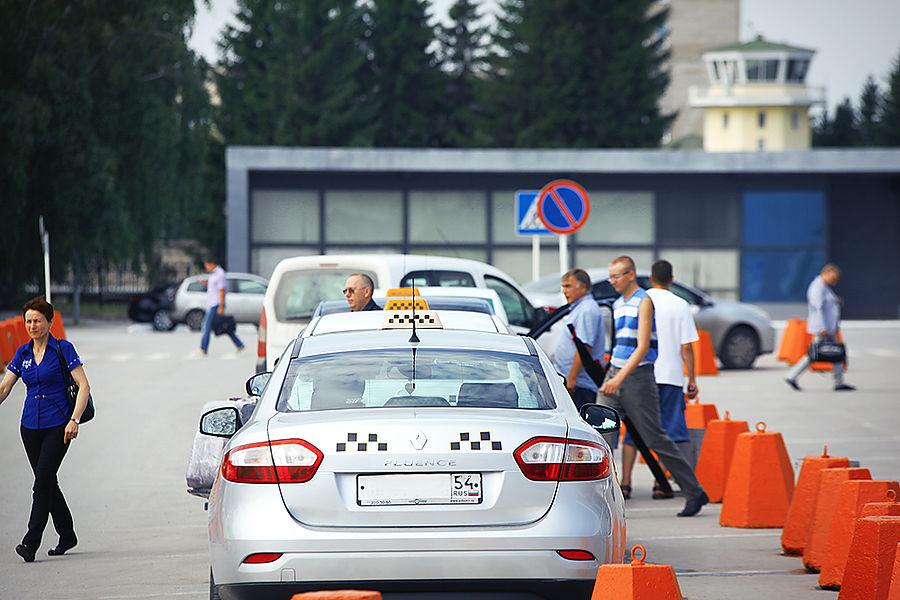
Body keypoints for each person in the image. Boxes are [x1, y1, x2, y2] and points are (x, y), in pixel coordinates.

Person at [598, 256, 709, 517]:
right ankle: (599, 496)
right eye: (610, 276)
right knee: (599, 435)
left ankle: (694, 492)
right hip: (616, 373)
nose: (612, 281)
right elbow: (620, 345)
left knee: (655, 438)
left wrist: (618, 378)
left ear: (630, 275)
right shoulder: (617, 304)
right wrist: (610, 374)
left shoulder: (644, 301)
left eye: (616, 276)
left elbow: (643, 347)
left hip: (637, 377)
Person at [0, 297, 89, 562]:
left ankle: (31, 542)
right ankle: (67, 533)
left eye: (38, 320)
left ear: (50, 322)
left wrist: (74, 419)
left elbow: (84, 386)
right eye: (28, 321)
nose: (32, 325)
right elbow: (5, 387)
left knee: (41, 484)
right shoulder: (22, 353)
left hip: (58, 426)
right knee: (47, 480)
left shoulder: (63, 349)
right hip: (29, 427)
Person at [619, 260, 699, 500]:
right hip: (671, 377)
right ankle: (660, 482)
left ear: (651, 278)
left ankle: (625, 483)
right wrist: (692, 379)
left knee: (633, 431)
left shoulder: (640, 299)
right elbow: (686, 347)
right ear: (671, 279)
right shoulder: (680, 304)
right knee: (669, 432)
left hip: (642, 374)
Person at [785, 264, 854, 391]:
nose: (834, 282)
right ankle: (792, 376)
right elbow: (817, 308)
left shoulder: (824, 287)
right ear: (826, 273)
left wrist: (836, 301)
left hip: (828, 327)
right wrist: (823, 327)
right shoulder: (818, 287)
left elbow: (828, 303)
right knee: (817, 354)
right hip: (823, 328)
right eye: (832, 278)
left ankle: (838, 382)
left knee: (834, 353)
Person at [552, 268, 605, 411]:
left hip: (579, 386)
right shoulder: (578, 308)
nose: (564, 291)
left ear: (583, 287)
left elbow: (584, 347)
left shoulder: (586, 309)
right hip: (574, 383)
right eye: (563, 287)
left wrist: (572, 378)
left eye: (568, 286)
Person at [196, 257, 244, 356]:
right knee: (222, 325)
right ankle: (239, 344)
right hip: (212, 303)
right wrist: (206, 283)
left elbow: (222, 290)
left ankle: (203, 348)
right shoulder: (213, 274)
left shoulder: (220, 274)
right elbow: (214, 287)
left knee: (207, 327)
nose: (206, 268)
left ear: (211, 264)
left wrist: (221, 306)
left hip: (216, 304)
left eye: (207, 266)